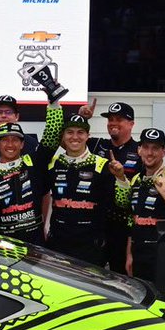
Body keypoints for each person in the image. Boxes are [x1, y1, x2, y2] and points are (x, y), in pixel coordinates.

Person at [0, 101, 63, 244]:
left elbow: (51, 139)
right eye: (5, 140)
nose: (10, 145)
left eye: (15, 140)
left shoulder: (32, 162)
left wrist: (54, 105)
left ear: (22, 144)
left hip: (36, 245)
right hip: (5, 248)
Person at [116, 128, 165, 282]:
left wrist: (164, 193)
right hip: (138, 254)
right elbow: (132, 220)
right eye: (146, 147)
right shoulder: (136, 179)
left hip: (164, 255)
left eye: (155, 148)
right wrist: (129, 254)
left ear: (164, 152)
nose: (149, 153)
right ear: (139, 150)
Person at [78, 99, 141, 274]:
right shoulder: (97, 145)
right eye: (110, 119)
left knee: (122, 279)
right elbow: (68, 140)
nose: (113, 123)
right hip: (96, 225)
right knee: (90, 276)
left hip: (122, 227)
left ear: (131, 124)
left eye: (119, 119)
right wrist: (81, 118)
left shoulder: (140, 151)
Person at [44, 114, 116, 266]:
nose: (74, 137)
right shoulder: (53, 164)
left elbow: (115, 205)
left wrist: (122, 179)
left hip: (90, 246)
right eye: (70, 132)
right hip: (58, 243)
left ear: (88, 136)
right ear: (63, 136)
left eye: (80, 132)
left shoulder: (103, 165)